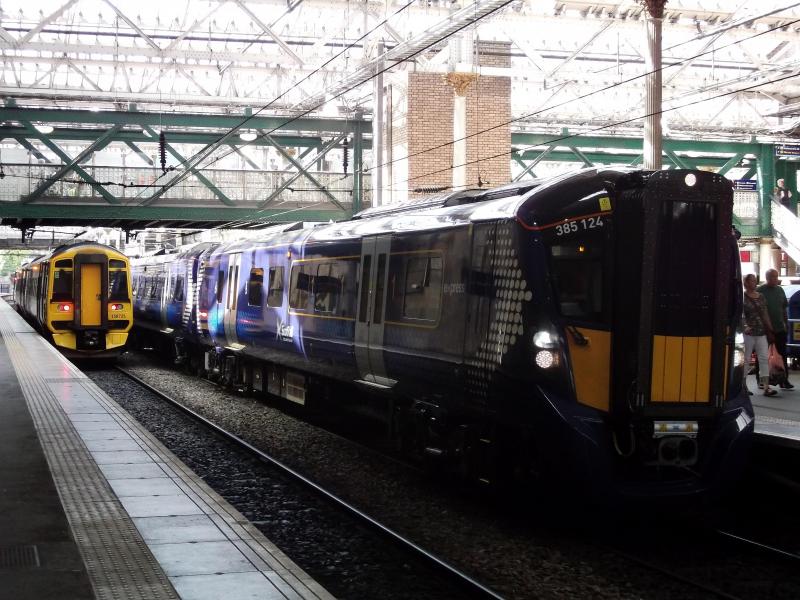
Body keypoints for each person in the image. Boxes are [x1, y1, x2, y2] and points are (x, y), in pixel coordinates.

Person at [757, 269, 794, 389]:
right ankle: (761, 380)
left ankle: (784, 380)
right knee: (763, 355)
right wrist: (766, 329)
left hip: (779, 328)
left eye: (776, 276)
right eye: (772, 277)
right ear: (767, 278)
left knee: (782, 354)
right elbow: (758, 312)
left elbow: (783, 308)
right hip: (764, 330)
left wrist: (786, 323)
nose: (775, 279)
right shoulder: (760, 291)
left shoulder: (780, 290)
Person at [742, 274, 778, 396]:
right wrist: (745, 326)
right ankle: (743, 386)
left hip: (761, 332)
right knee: (746, 359)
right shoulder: (742, 297)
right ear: (746, 283)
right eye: (751, 281)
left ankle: (766, 386)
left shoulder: (761, 296)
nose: (754, 282)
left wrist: (770, 328)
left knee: (763, 359)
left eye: (755, 280)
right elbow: (740, 314)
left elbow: (765, 313)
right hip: (748, 334)